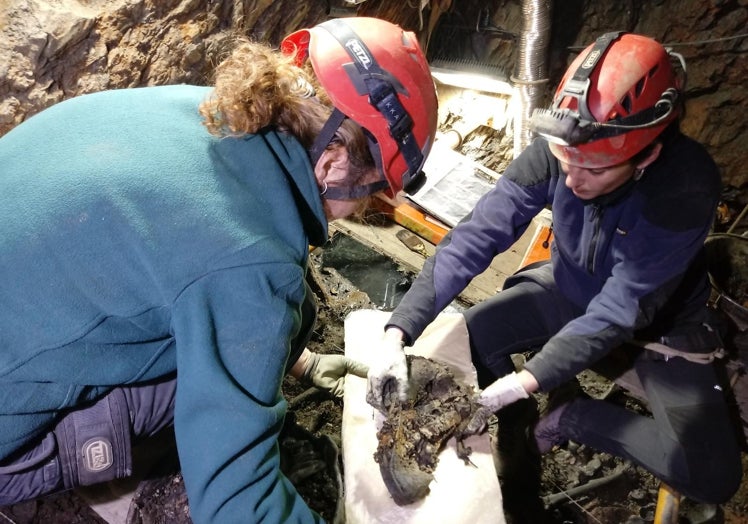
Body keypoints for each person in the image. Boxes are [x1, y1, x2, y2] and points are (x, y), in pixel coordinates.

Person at [0, 16, 437, 523]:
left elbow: (187, 263)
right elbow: (239, 505)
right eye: (368, 195)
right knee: (226, 399)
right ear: (334, 161)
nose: (358, 213)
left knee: (277, 325)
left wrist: (301, 363)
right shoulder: (254, 262)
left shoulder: (196, 108)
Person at [367, 30, 743, 516]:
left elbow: (621, 308)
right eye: (566, 159)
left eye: (595, 169)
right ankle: (516, 427)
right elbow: (478, 234)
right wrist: (398, 330)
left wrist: (528, 379)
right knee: (474, 334)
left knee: (712, 476)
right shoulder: (561, 146)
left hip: (661, 329)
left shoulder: (685, 185)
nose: (572, 178)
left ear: (647, 152)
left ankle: (573, 416)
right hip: (568, 289)